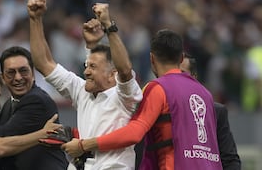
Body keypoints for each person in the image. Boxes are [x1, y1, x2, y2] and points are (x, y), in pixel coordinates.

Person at [62, 29, 223, 170]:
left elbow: (134, 133)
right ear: (181, 58)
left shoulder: (158, 88)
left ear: (151, 58)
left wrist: (85, 145)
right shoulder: (206, 94)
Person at [28, 0, 142, 169]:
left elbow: (125, 70)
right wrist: (35, 20)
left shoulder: (125, 98)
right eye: (86, 66)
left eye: (93, 67)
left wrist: (108, 26)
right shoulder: (81, 91)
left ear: (112, 74)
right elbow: (43, 64)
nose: (86, 71)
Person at [0, 46, 68, 170]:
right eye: (11, 72)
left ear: (33, 74)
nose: (18, 78)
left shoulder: (36, 101)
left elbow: (0, 139)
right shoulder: (8, 104)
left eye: (23, 71)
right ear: (3, 78)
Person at [180, 53, 241, 170]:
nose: (176, 78)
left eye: (182, 73)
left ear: (194, 77)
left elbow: (230, 159)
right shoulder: (162, 110)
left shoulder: (216, 112)